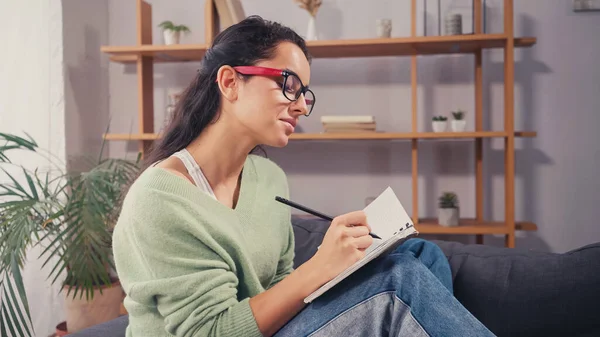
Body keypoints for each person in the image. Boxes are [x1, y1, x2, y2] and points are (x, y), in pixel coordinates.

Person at [112, 15, 496, 337]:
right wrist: (320, 266)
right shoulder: (161, 200)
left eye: (304, 94)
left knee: (418, 254)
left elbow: (278, 285)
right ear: (229, 82)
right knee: (401, 282)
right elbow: (212, 330)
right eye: (288, 85)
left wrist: (345, 263)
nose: (299, 107)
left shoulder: (267, 178)